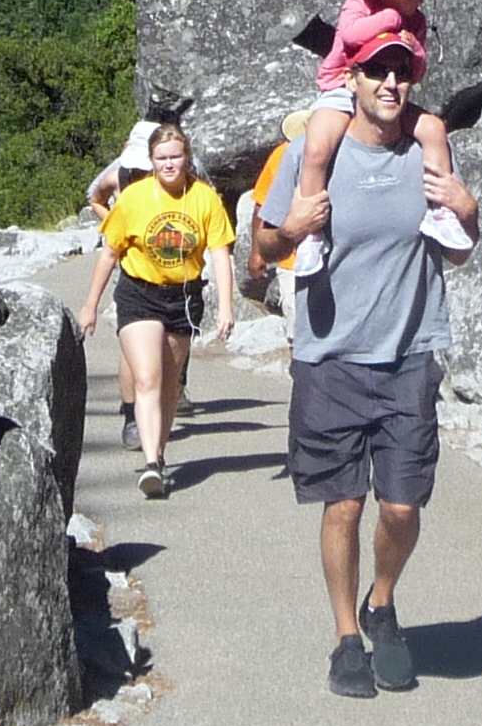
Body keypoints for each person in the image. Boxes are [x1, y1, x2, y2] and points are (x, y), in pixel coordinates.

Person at [255, 31, 478, 698]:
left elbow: (457, 249)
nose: (388, 81)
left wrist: (469, 210)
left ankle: (383, 603)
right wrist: (289, 228)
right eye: (376, 70)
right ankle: (346, 635)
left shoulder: (427, 151)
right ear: (350, 78)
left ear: (413, 78)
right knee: (344, 503)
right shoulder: (311, 152)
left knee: (402, 507)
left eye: (400, 70)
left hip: (408, 355)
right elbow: (262, 245)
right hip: (329, 357)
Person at [293, 0, 470, 277]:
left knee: (434, 129)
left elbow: (416, 71)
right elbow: (352, 35)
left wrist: (413, 48)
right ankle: (311, 231)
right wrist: (391, 21)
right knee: (316, 147)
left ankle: (440, 211)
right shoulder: (359, 3)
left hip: (389, 97)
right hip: (342, 87)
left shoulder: (416, 19)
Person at [78, 123, 236, 498]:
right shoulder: (133, 198)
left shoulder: (204, 198)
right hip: (139, 294)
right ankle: (150, 464)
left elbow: (220, 253)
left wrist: (226, 306)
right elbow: (110, 254)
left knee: (169, 384)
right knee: (147, 378)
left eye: (175, 157)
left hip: (183, 296)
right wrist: (90, 306)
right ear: (151, 161)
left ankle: (159, 455)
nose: (169, 164)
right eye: (161, 158)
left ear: (187, 158)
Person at [87, 120, 197, 450]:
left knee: (171, 356)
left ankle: (169, 395)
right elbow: (95, 196)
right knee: (134, 345)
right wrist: (114, 227)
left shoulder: (190, 174)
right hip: (136, 273)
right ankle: (132, 414)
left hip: (180, 282)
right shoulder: (119, 175)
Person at [248, 109, 309, 348]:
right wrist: (257, 252)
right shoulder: (282, 155)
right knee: (297, 333)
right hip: (291, 260)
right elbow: (262, 205)